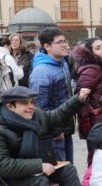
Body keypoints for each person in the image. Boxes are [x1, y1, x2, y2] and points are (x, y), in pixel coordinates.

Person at [30, 28, 75, 162]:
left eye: (65, 41)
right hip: (54, 133)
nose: (65, 45)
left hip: (64, 127)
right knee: (61, 170)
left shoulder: (62, 63)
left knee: (68, 168)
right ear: (47, 46)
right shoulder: (41, 71)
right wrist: (54, 130)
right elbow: (39, 106)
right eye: (59, 42)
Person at [73, 38, 102, 148]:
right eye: (98, 48)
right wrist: (87, 126)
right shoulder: (92, 69)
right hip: (97, 121)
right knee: (96, 156)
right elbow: (81, 99)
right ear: (90, 53)